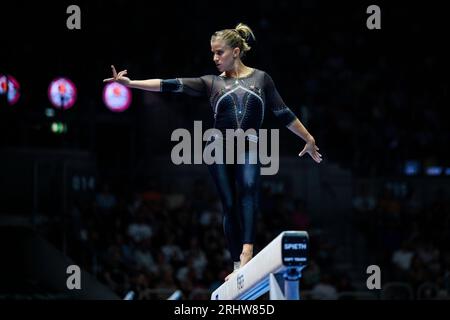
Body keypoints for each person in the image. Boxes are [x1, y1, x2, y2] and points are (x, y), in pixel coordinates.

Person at [104, 23, 322, 281]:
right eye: (213, 53)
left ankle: (247, 251)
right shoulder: (211, 83)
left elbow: (282, 112)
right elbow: (170, 84)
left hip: (248, 145)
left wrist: (308, 138)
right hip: (218, 147)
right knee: (229, 205)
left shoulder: (262, 79)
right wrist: (131, 84)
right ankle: (236, 264)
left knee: (249, 189)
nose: (214, 58)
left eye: (219, 52)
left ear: (236, 51)